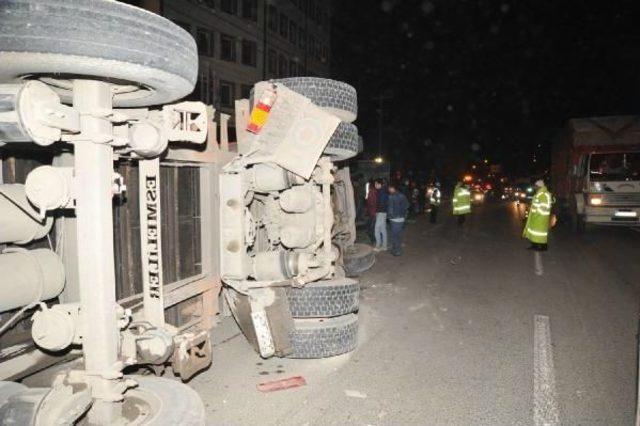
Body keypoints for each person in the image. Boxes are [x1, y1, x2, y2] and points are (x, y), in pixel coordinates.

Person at [523, 179, 553, 251]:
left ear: (539, 186)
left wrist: (536, 213)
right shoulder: (539, 193)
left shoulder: (544, 194)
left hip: (540, 217)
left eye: (535, 186)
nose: (534, 187)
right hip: (536, 217)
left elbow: (544, 206)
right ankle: (535, 245)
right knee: (534, 232)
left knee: (540, 233)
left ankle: (543, 247)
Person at [387, 183, 409, 256]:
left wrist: (389, 217)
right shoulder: (403, 196)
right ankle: (397, 249)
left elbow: (390, 209)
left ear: (393, 188)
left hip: (394, 219)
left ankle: (396, 251)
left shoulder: (391, 197)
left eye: (389, 188)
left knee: (394, 236)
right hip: (401, 219)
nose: (389, 190)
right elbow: (407, 206)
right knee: (399, 235)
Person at [373, 179, 388, 251]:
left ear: (380, 184)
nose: (375, 185)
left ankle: (378, 246)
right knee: (383, 229)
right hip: (383, 212)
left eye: (376, 184)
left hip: (381, 212)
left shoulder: (382, 192)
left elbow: (381, 203)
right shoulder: (383, 191)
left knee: (377, 229)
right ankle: (384, 246)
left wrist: (377, 212)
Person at [365, 179, 378, 244]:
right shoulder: (372, 192)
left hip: (373, 212)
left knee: (370, 228)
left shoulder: (372, 192)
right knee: (370, 228)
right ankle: (373, 240)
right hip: (372, 212)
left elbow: (372, 203)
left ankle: (374, 240)